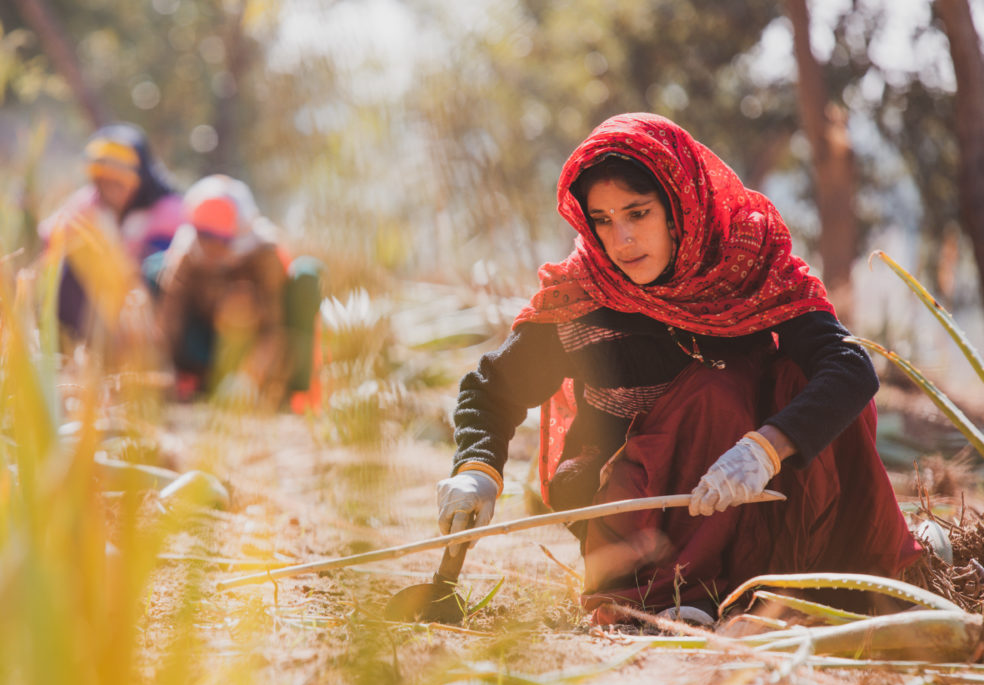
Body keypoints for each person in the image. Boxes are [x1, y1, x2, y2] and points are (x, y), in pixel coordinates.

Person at [436, 113, 920, 624]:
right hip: (638, 527)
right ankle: (681, 596)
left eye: (637, 213)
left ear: (678, 206)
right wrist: (477, 470)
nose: (620, 241)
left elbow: (850, 368)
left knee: (799, 380)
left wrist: (765, 450)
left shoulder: (744, 268)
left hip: (749, 503)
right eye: (601, 220)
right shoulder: (585, 296)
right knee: (715, 389)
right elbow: (492, 390)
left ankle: (832, 580)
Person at [146, 175, 322, 409]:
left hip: (260, 348)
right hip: (207, 345)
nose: (209, 247)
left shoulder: (264, 253)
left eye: (218, 239)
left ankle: (284, 392)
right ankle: (199, 381)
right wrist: (157, 366)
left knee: (307, 274)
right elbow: (170, 320)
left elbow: (274, 328)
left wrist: (248, 377)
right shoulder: (187, 252)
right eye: (203, 235)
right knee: (154, 268)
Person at [39, 123, 183, 347]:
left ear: (139, 177)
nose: (109, 188)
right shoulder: (90, 203)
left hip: (149, 318)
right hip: (103, 312)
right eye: (102, 180)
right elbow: (50, 236)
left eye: (118, 181)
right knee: (66, 261)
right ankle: (73, 347)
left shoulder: (169, 209)